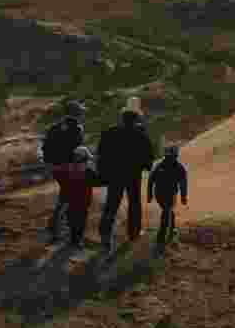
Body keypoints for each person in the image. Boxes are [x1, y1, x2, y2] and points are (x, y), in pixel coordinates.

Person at [96, 110, 155, 255]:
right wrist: (144, 165)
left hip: (114, 175)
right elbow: (149, 158)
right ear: (136, 120)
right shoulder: (140, 135)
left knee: (111, 204)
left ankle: (104, 234)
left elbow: (101, 153)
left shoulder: (110, 132)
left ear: (121, 119)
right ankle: (134, 233)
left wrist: (103, 172)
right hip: (132, 175)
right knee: (134, 203)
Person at [40, 100, 86, 244]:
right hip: (70, 168)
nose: (82, 114)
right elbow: (78, 151)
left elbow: (45, 147)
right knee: (71, 199)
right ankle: (57, 229)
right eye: (80, 112)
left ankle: (56, 228)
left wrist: (50, 165)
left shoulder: (54, 127)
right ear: (76, 113)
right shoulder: (77, 128)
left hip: (56, 168)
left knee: (65, 196)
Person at [55, 146, 100, 249]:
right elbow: (96, 181)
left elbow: (58, 173)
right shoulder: (88, 171)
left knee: (72, 218)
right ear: (85, 158)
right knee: (80, 220)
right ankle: (77, 240)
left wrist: (64, 184)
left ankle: (73, 238)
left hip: (70, 199)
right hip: (83, 200)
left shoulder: (67, 167)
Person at [148, 144, 188, 257]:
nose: (170, 157)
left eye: (172, 155)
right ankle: (161, 238)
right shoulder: (162, 165)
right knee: (167, 211)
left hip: (170, 194)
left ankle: (171, 229)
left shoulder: (179, 168)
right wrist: (149, 194)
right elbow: (151, 180)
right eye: (170, 155)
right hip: (160, 194)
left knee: (168, 211)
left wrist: (183, 197)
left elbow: (183, 183)